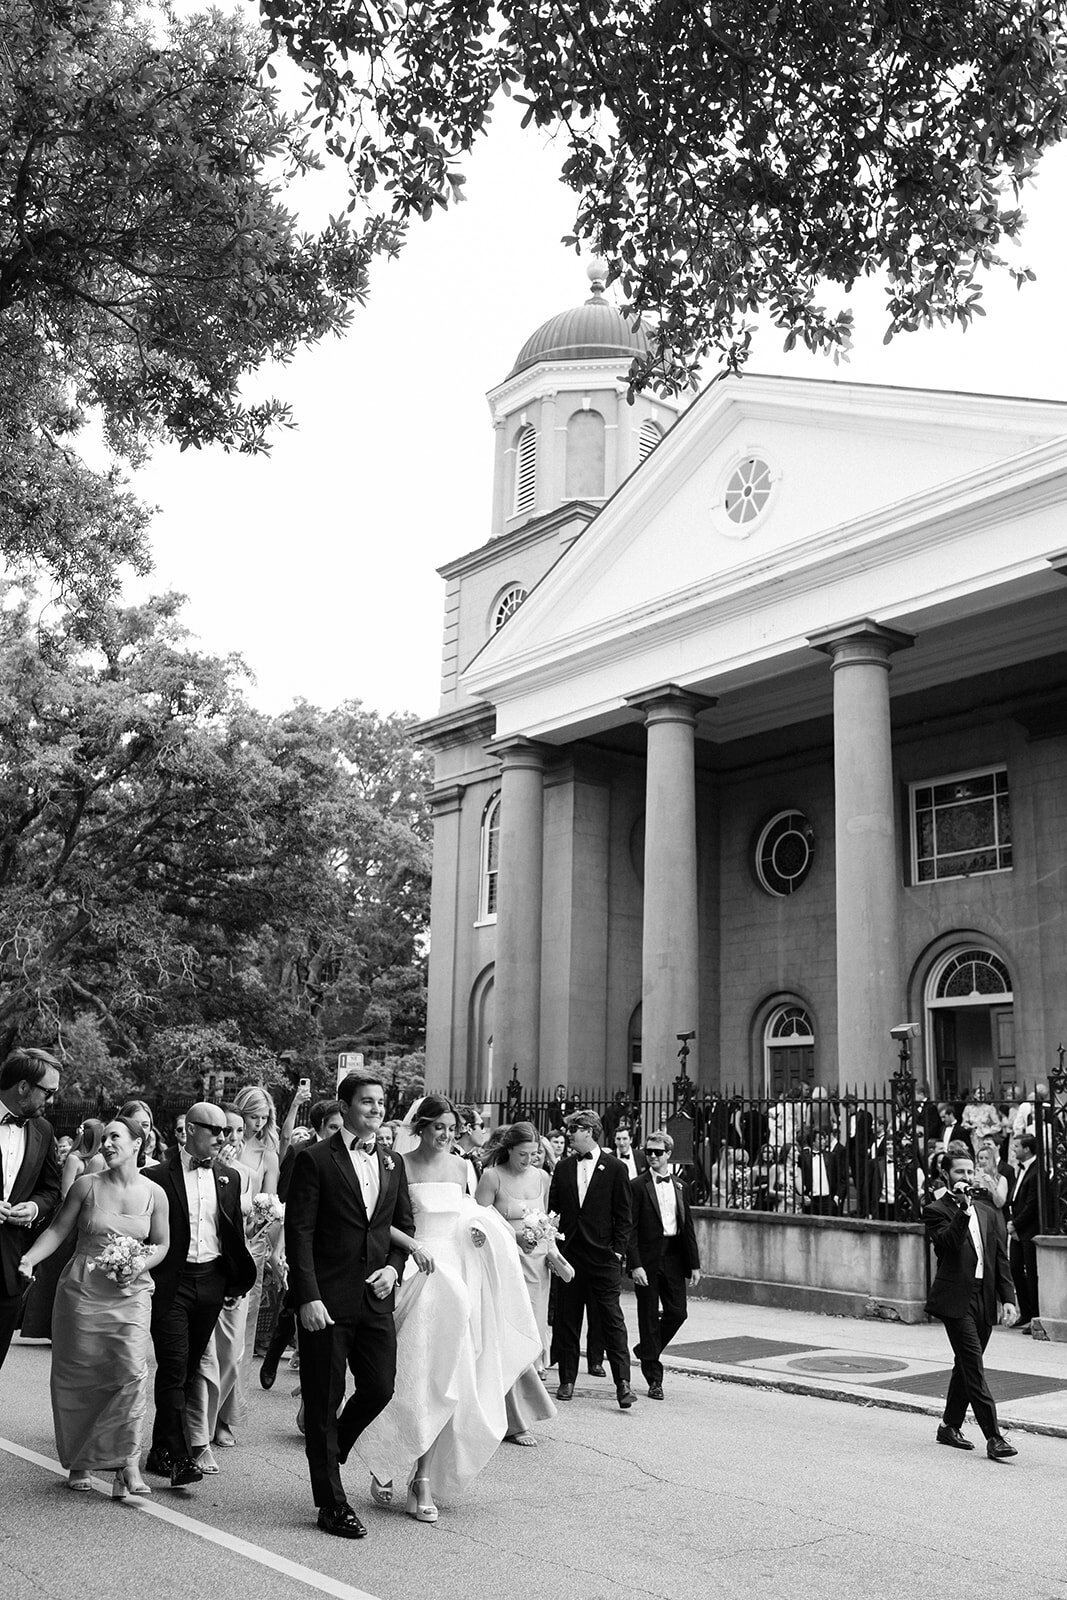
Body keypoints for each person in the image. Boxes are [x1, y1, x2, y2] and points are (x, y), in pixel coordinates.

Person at [357, 1096, 548, 1520]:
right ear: (421, 1127)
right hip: (413, 1269)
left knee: (446, 1379)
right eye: (438, 1127)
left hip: (455, 1276)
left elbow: (471, 1215)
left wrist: (478, 1232)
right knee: (407, 1375)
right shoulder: (398, 1164)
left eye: (450, 1128)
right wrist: (414, 1247)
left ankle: (422, 1478)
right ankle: (385, 1457)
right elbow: (381, 1221)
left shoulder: (463, 1167)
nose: (445, 1135)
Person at [284, 1072, 415, 1540]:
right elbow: (298, 1233)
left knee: (380, 1387)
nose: (376, 1109)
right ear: (344, 1107)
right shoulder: (314, 1159)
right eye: (367, 1102)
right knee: (324, 1399)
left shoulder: (393, 1162)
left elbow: (402, 1227)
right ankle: (331, 1504)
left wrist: (394, 1269)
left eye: (380, 1102)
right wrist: (308, 1297)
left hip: (375, 1299)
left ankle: (330, 1447)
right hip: (326, 1301)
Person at [18, 1115, 170, 1497]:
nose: (106, 1144)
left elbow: (161, 1243)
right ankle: (81, 1460)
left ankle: (127, 1464)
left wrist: (138, 1265)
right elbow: (58, 1230)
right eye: (104, 1139)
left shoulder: (155, 1193)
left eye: (115, 1137)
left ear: (138, 1143)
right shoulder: (86, 1185)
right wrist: (29, 1259)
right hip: (83, 1291)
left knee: (131, 1374)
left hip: (131, 1293)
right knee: (82, 1376)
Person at [144, 1101, 256, 1488]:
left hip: (211, 1283)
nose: (223, 1138)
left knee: (189, 1369)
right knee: (174, 1367)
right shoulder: (156, 1176)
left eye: (226, 1131)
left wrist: (234, 1283)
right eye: (215, 1130)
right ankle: (179, 1458)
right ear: (190, 1129)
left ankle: (160, 1450)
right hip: (171, 1284)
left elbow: (231, 1233)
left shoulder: (229, 1177)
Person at [924, 1144, 1018, 1460]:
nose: (965, 1176)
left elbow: (999, 1258)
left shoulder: (988, 1211)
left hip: (984, 1296)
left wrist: (1008, 1298)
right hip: (956, 1299)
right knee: (973, 1365)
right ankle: (994, 1437)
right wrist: (962, 1211)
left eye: (969, 1171)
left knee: (964, 1364)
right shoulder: (936, 1210)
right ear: (946, 1174)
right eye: (959, 1172)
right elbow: (948, 1244)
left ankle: (949, 1425)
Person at [547, 1109, 635, 1409]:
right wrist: (553, 1248)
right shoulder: (563, 1168)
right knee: (567, 1319)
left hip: (603, 1258)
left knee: (612, 1320)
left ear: (589, 1131)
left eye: (574, 1129)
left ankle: (623, 1383)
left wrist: (618, 1252)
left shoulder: (615, 1168)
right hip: (571, 1256)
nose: (568, 1134)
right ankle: (567, 1380)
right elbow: (554, 1211)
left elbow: (624, 1216)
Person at [476, 1120, 562, 1392]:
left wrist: (553, 1252)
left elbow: (546, 1219)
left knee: (535, 1314)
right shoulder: (492, 1176)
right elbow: (478, 1225)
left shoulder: (543, 1177)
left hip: (537, 1261)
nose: (528, 1160)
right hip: (505, 1259)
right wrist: (514, 1237)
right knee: (510, 1316)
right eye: (522, 1154)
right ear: (510, 1149)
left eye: (534, 1154)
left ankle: (532, 1370)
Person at [225, 1084, 284, 1441]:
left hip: (253, 1245)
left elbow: (271, 1204)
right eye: (252, 1116)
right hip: (219, 1241)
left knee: (243, 1334)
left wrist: (274, 1249)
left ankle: (229, 1414)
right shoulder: (222, 1144)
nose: (258, 1123)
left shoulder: (269, 1154)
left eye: (264, 1117)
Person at [0, 1046, 62, 1371]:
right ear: (24, 1086)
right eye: (48, 1092)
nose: (51, 1100)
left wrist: (35, 1208)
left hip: (8, 1271)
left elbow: (51, 1189)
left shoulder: (43, 1130)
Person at [627, 1130, 700, 1400]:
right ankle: (654, 1379)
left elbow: (687, 1227)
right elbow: (630, 1229)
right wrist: (635, 1264)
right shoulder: (637, 1186)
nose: (652, 1156)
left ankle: (646, 1349)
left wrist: (694, 1264)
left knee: (678, 1312)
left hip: (674, 1257)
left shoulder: (681, 1186)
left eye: (658, 1152)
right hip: (647, 1259)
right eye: (648, 1152)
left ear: (669, 1154)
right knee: (648, 1316)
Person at [20, 1117, 107, 1341]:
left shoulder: (99, 1160)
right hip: (70, 1216)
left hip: (88, 1220)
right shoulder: (74, 1159)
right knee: (55, 1271)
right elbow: (66, 1192)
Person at [1007, 1133, 1040, 1332]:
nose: (1014, 1149)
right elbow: (1016, 1198)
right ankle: (1025, 1313)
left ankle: (1035, 1316)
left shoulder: (1036, 1171)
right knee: (1015, 1269)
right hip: (1017, 1229)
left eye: (1017, 1146)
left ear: (1027, 1149)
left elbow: (1032, 1204)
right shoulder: (1021, 1169)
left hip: (1028, 1230)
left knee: (1031, 1273)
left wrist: (1015, 1225)